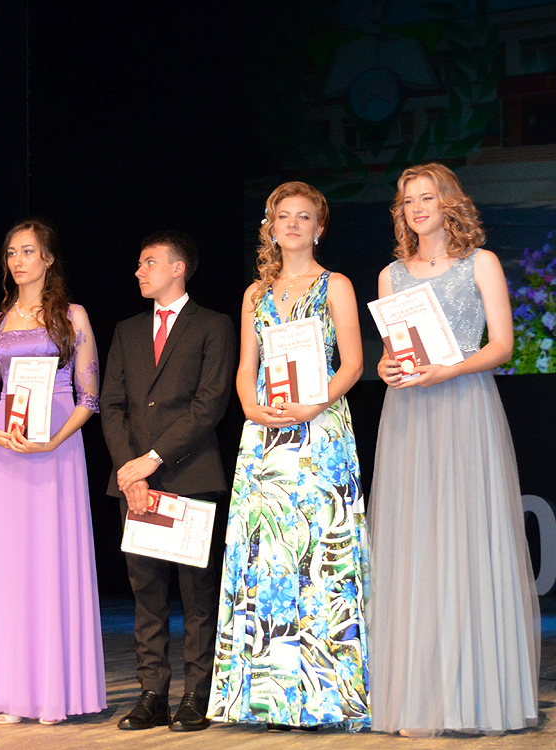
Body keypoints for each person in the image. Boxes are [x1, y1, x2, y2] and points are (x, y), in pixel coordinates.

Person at [368, 163, 539, 736]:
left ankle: (475, 696)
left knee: (467, 537)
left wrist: (448, 370)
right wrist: (386, 367)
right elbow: (392, 353)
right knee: (414, 545)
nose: (417, 207)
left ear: (449, 203)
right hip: (409, 414)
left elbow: (502, 346)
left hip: (464, 404)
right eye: (407, 200)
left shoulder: (481, 263)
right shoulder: (391, 275)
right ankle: (421, 697)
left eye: (427, 196)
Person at [208, 183, 370, 731]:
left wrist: (314, 403)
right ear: (271, 227)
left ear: (319, 228)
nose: (293, 224)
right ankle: (267, 698)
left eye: (304, 216)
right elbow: (245, 366)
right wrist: (250, 407)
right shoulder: (254, 294)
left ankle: (326, 698)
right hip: (266, 433)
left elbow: (353, 363)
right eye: (284, 216)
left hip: (319, 429)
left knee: (320, 556)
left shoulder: (336, 285)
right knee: (268, 555)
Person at [0, 218, 105, 725]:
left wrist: (54, 440)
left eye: (28, 251)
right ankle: (12, 692)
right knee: (9, 568)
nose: (18, 260)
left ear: (48, 258)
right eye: (11, 252)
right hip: (7, 449)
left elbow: (90, 395)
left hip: (56, 447)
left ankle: (53, 693)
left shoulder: (73, 315)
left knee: (50, 561)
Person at [101, 231, 235, 732]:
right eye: (139, 263)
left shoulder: (213, 325)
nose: (139, 271)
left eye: (149, 262)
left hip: (190, 474)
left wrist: (151, 460)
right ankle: (152, 693)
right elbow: (112, 405)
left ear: (178, 268)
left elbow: (210, 404)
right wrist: (130, 468)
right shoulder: (127, 330)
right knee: (147, 593)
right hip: (134, 482)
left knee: (197, 595)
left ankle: (196, 695)